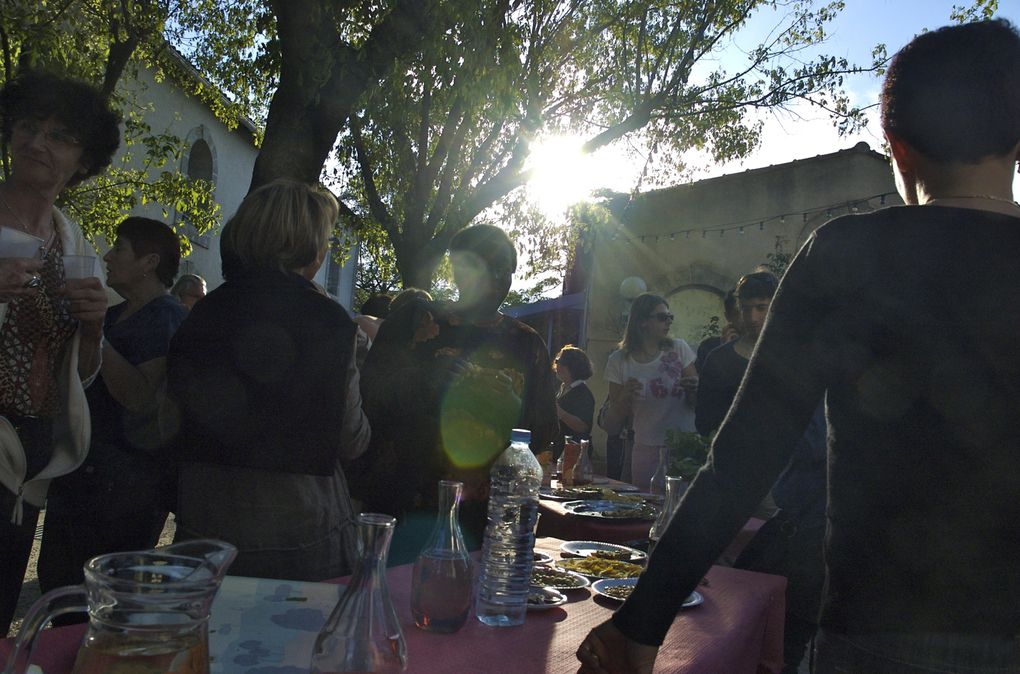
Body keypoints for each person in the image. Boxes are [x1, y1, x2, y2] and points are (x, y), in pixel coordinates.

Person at [576, 19, 1020, 674]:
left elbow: (746, 454)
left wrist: (642, 625)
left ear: (896, 146)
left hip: (873, 639)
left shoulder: (849, 254)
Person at [165, 179, 370, 581]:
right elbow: (352, 438)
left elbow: (171, 418)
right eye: (325, 238)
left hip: (206, 523)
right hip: (300, 527)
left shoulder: (202, 313)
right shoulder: (330, 321)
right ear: (308, 243)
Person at [0, 71, 118, 635]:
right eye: (29, 125)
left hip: (32, 457)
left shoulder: (75, 246)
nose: (37, 141)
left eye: (59, 135)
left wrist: (93, 332)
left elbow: (83, 374)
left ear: (83, 161)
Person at [37, 217, 186, 595]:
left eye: (119, 247)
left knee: (104, 599)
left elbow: (140, 397)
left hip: (124, 493)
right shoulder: (118, 314)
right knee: (60, 585)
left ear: (149, 262)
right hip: (79, 478)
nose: (106, 255)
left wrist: (95, 333)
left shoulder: (167, 317)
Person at [417, 224, 559, 545]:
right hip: (424, 502)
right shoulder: (427, 329)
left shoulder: (526, 342)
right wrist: (430, 384)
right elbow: (385, 410)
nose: (497, 280)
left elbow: (549, 433)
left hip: (496, 509)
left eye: (504, 270)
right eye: (484, 268)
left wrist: (509, 406)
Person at [601, 293, 698, 489]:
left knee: (683, 510)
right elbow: (612, 425)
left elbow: (698, 401)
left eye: (670, 317)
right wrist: (623, 399)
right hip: (646, 447)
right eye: (662, 317)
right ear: (642, 321)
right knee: (648, 506)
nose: (668, 322)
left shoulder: (678, 349)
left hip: (685, 446)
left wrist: (694, 389)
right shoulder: (619, 360)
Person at [695, 272, 779, 435]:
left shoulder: (797, 355)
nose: (753, 317)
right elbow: (705, 420)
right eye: (746, 309)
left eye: (761, 308)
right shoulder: (719, 360)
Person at [554, 345, 595, 446]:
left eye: (559, 361)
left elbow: (583, 426)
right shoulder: (563, 387)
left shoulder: (583, 394)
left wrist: (560, 413)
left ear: (570, 367)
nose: (556, 365)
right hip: (559, 447)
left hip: (573, 451)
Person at [694, 288, 740, 373]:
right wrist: (723, 351)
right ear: (728, 316)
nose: (751, 318)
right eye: (739, 313)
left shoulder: (767, 347)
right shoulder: (708, 347)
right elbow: (704, 381)